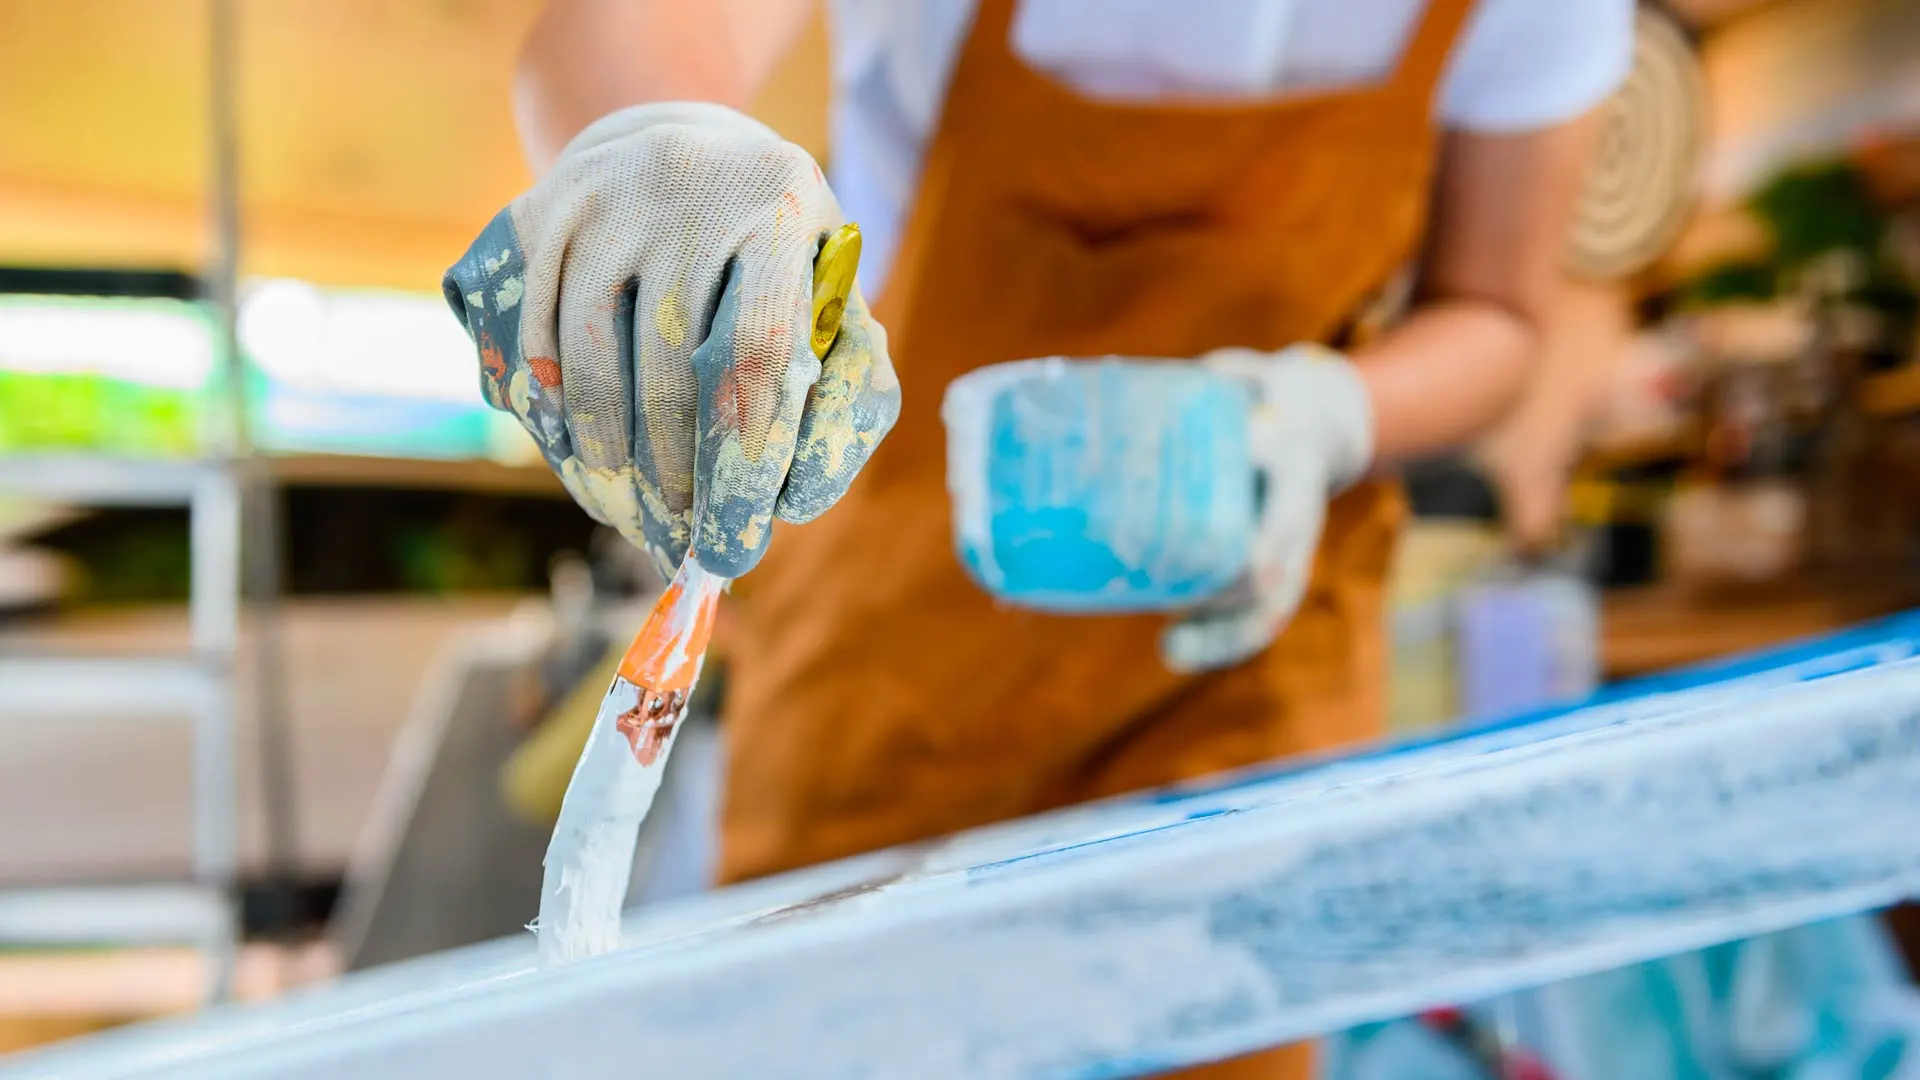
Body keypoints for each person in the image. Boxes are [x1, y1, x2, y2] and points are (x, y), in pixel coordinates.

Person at [444, 2, 1632, 1075]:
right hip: (886, 655)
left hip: (1242, 664)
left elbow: (1502, 309)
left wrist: (1322, 415)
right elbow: (616, 24)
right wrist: (665, 150)